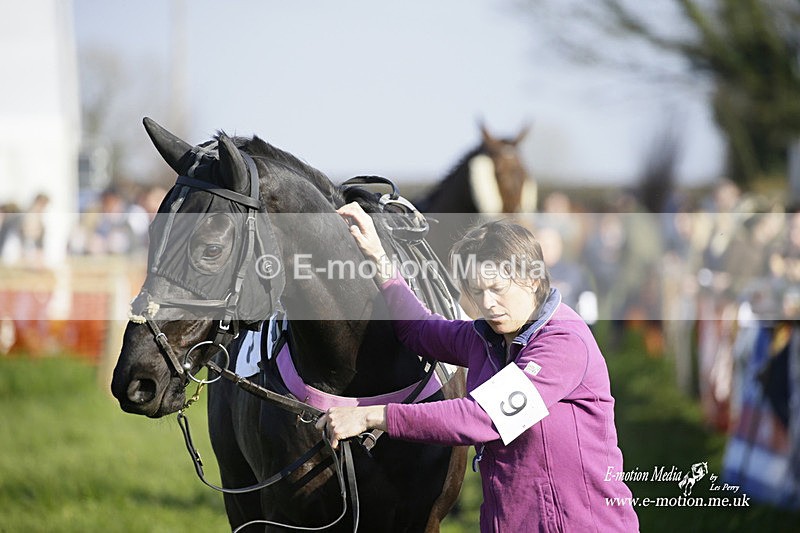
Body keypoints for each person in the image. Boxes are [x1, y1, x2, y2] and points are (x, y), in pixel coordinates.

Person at [316, 202, 639, 532]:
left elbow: (483, 417)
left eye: (497, 289)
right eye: (477, 292)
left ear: (533, 279)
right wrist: (378, 257)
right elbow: (418, 329)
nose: (487, 304)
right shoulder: (485, 337)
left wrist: (371, 415)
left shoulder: (564, 342)